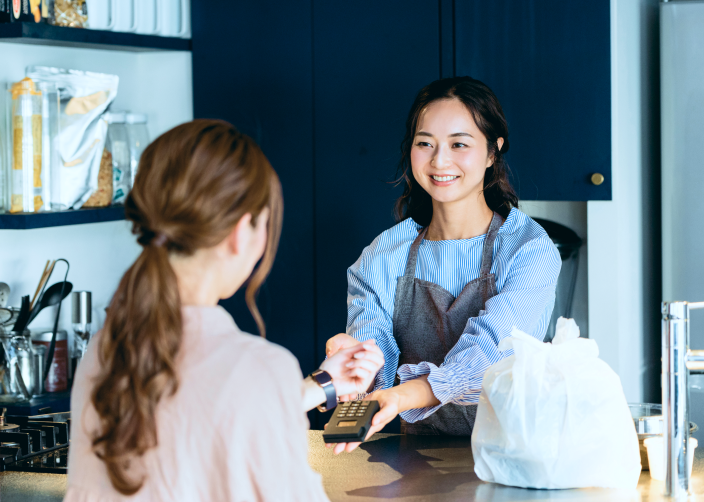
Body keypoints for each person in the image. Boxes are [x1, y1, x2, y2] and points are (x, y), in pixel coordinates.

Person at [64, 120, 384, 501]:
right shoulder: (259, 368)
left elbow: (196, 417)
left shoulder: (104, 352)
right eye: (264, 223)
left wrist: (322, 385)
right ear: (239, 231)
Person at [326, 76, 561, 453]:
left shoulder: (527, 250)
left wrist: (405, 397)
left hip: (514, 460)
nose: (439, 161)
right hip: (412, 461)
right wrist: (359, 362)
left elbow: (490, 356)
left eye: (458, 144)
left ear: (492, 152)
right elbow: (377, 351)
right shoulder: (383, 255)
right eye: (425, 144)